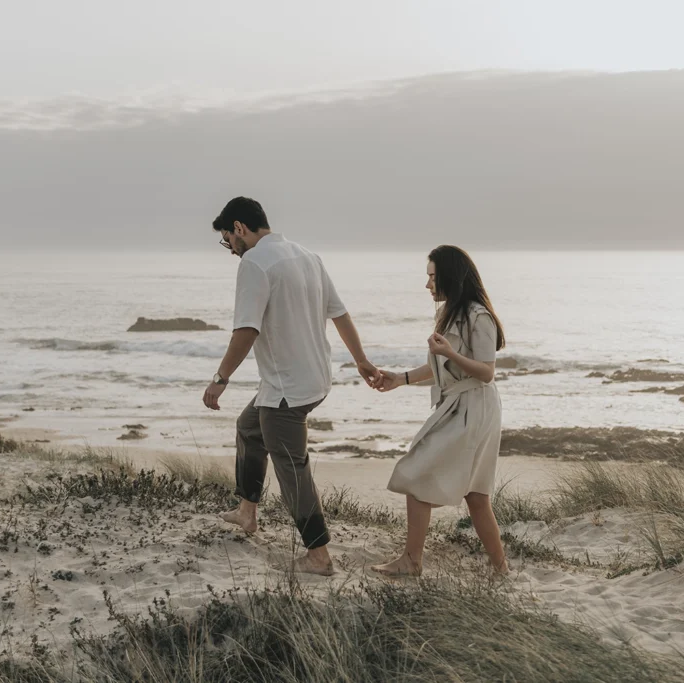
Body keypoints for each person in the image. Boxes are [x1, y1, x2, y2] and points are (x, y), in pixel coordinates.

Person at [203, 196, 379, 576]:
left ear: (239, 228)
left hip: (286, 390)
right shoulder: (306, 255)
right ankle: (247, 513)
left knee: (292, 468)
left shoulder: (254, 263)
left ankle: (319, 556)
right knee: (249, 428)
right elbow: (340, 313)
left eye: (227, 239)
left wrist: (220, 379)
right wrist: (360, 360)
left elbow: (246, 329)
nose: (229, 248)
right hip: (312, 378)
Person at [371, 245, 508, 577]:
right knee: (476, 496)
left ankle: (412, 562)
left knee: (421, 478)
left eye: (432, 276)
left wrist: (451, 353)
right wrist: (400, 379)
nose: (428, 284)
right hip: (460, 404)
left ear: (449, 275)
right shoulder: (449, 314)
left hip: (475, 407)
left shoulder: (479, 316)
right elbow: (439, 366)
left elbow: (487, 371)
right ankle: (501, 571)